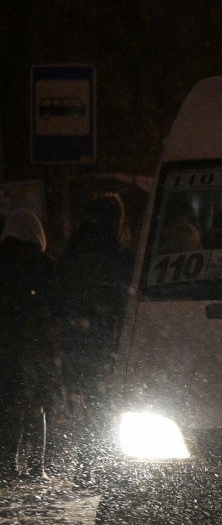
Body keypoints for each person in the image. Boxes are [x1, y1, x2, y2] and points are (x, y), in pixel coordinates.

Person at [56, 193, 134, 484]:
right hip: (107, 336)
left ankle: (87, 461)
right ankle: (101, 461)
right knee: (105, 400)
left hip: (77, 337)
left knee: (89, 399)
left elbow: (59, 295)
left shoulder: (73, 253)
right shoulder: (118, 255)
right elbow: (123, 296)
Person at [0, 209, 62, 480]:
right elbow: (53, 303)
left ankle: (6, 466)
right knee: (37, 403)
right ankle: (38, 467)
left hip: (5, 343)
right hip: (35, 341)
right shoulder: (40, 262)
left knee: (10, 404)